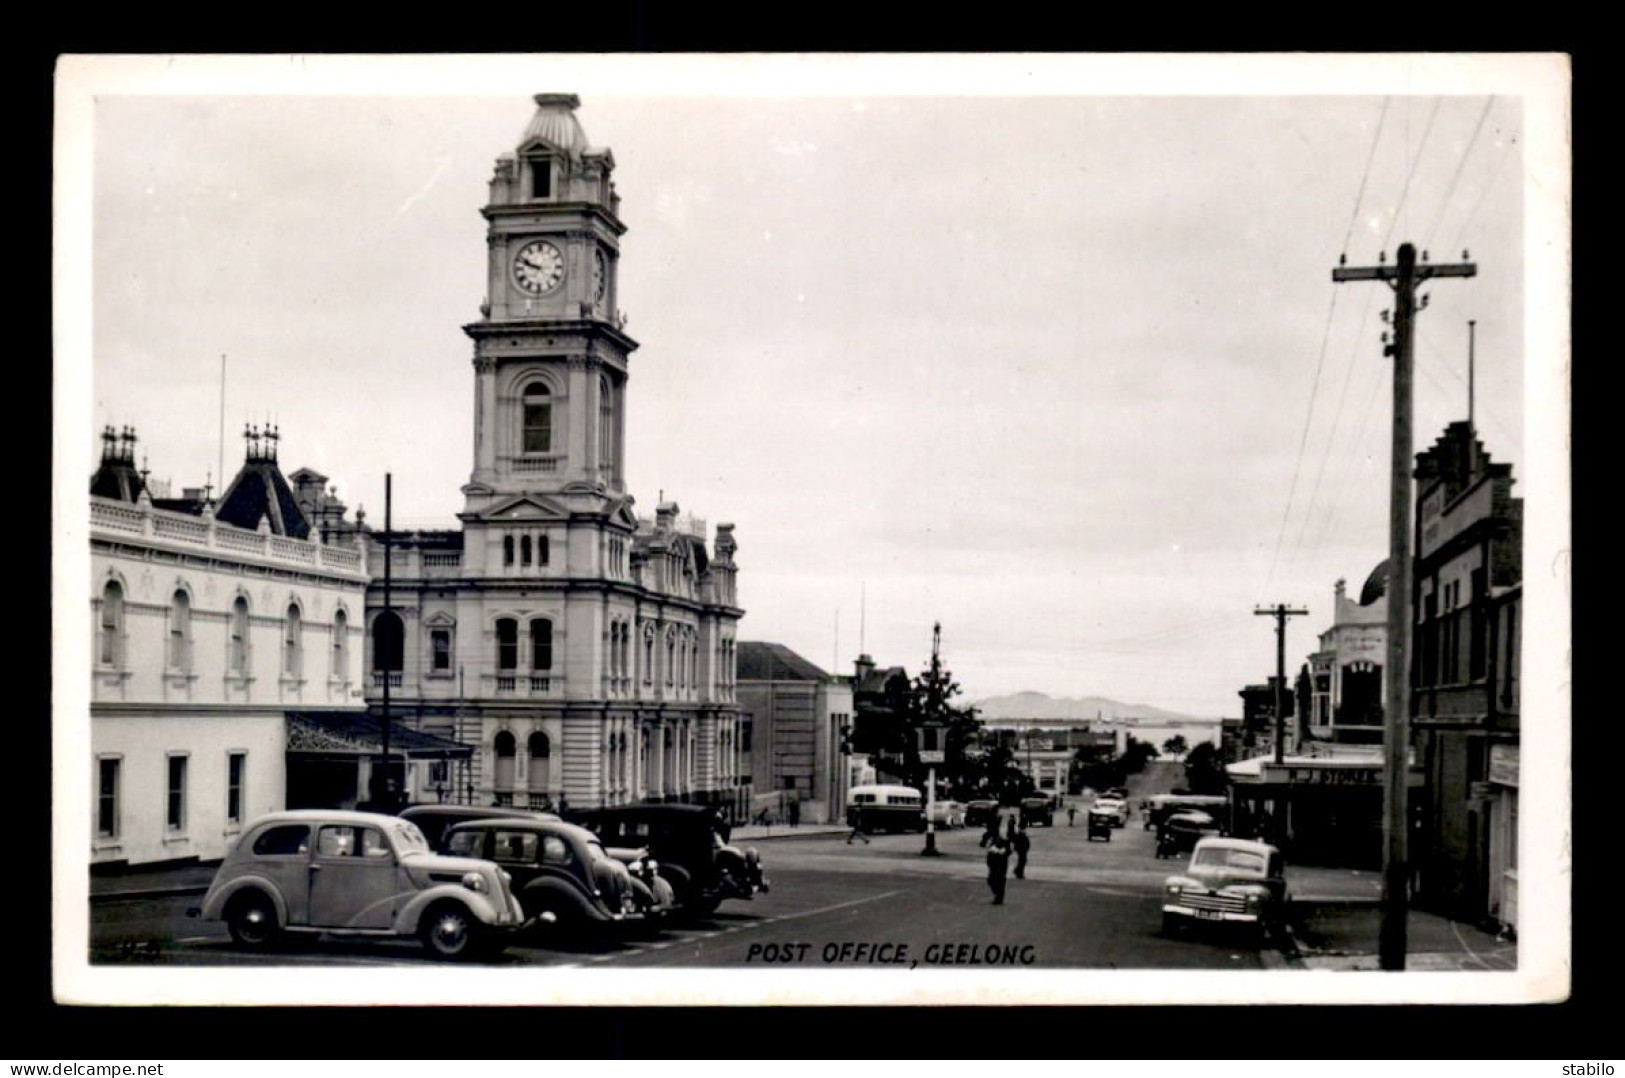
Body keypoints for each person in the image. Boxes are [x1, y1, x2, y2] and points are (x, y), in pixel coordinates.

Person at [985, 831, 1011, 905]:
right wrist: (991, 849)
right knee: (990, 880)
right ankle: (997, 894)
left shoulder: (1006, 841)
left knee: (1000, 881)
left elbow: (1008, 851)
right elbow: (988, 847)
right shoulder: (994, 838)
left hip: (1001, 864)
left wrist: (1001, 851)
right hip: (993, 864)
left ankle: (999, 897)